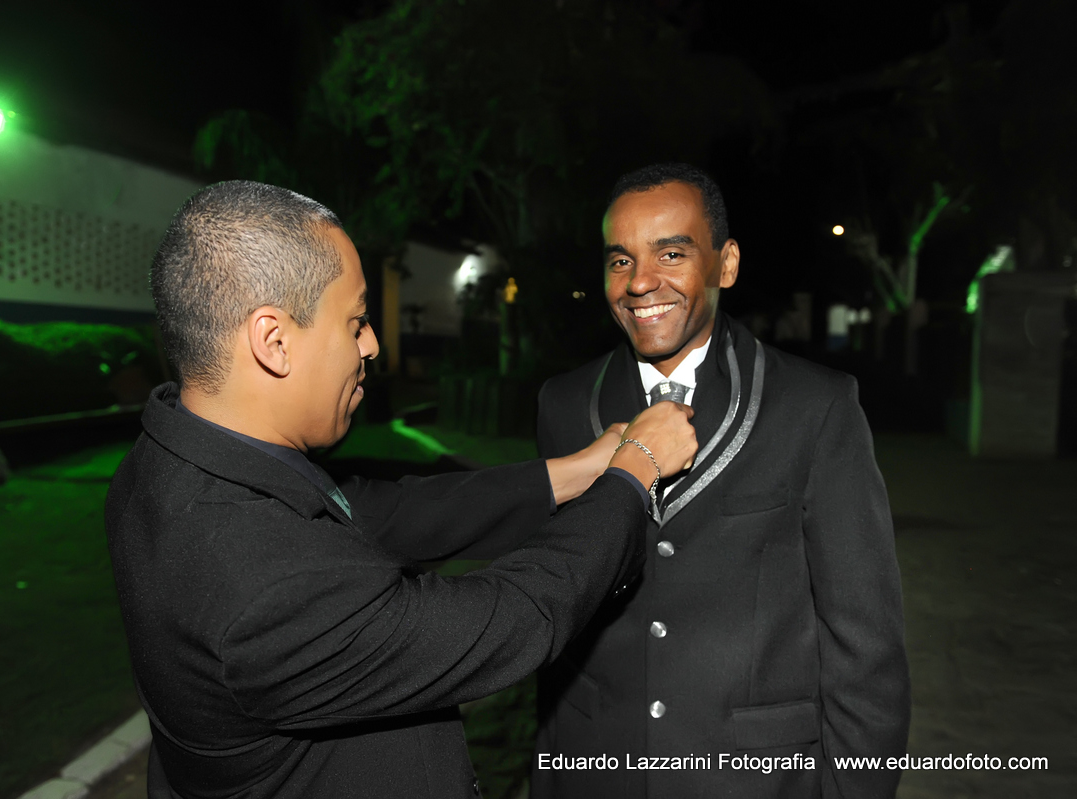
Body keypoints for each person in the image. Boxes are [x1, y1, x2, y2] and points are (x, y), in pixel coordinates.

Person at [104, 180, 698, 799]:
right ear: (273, 340)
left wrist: (578, 469)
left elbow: (386, 511)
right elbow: (512, 620)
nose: (372, 345)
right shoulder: (260, 590)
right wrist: (636, 469)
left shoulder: (174, 462)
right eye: (356, 321)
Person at [531, 163, 910, 798]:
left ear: (725, 264)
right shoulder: (563, 405)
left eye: (671, 253)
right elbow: (555, 611)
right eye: (619, 261)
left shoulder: (815, 407)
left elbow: (865, 648)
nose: (640, 282)